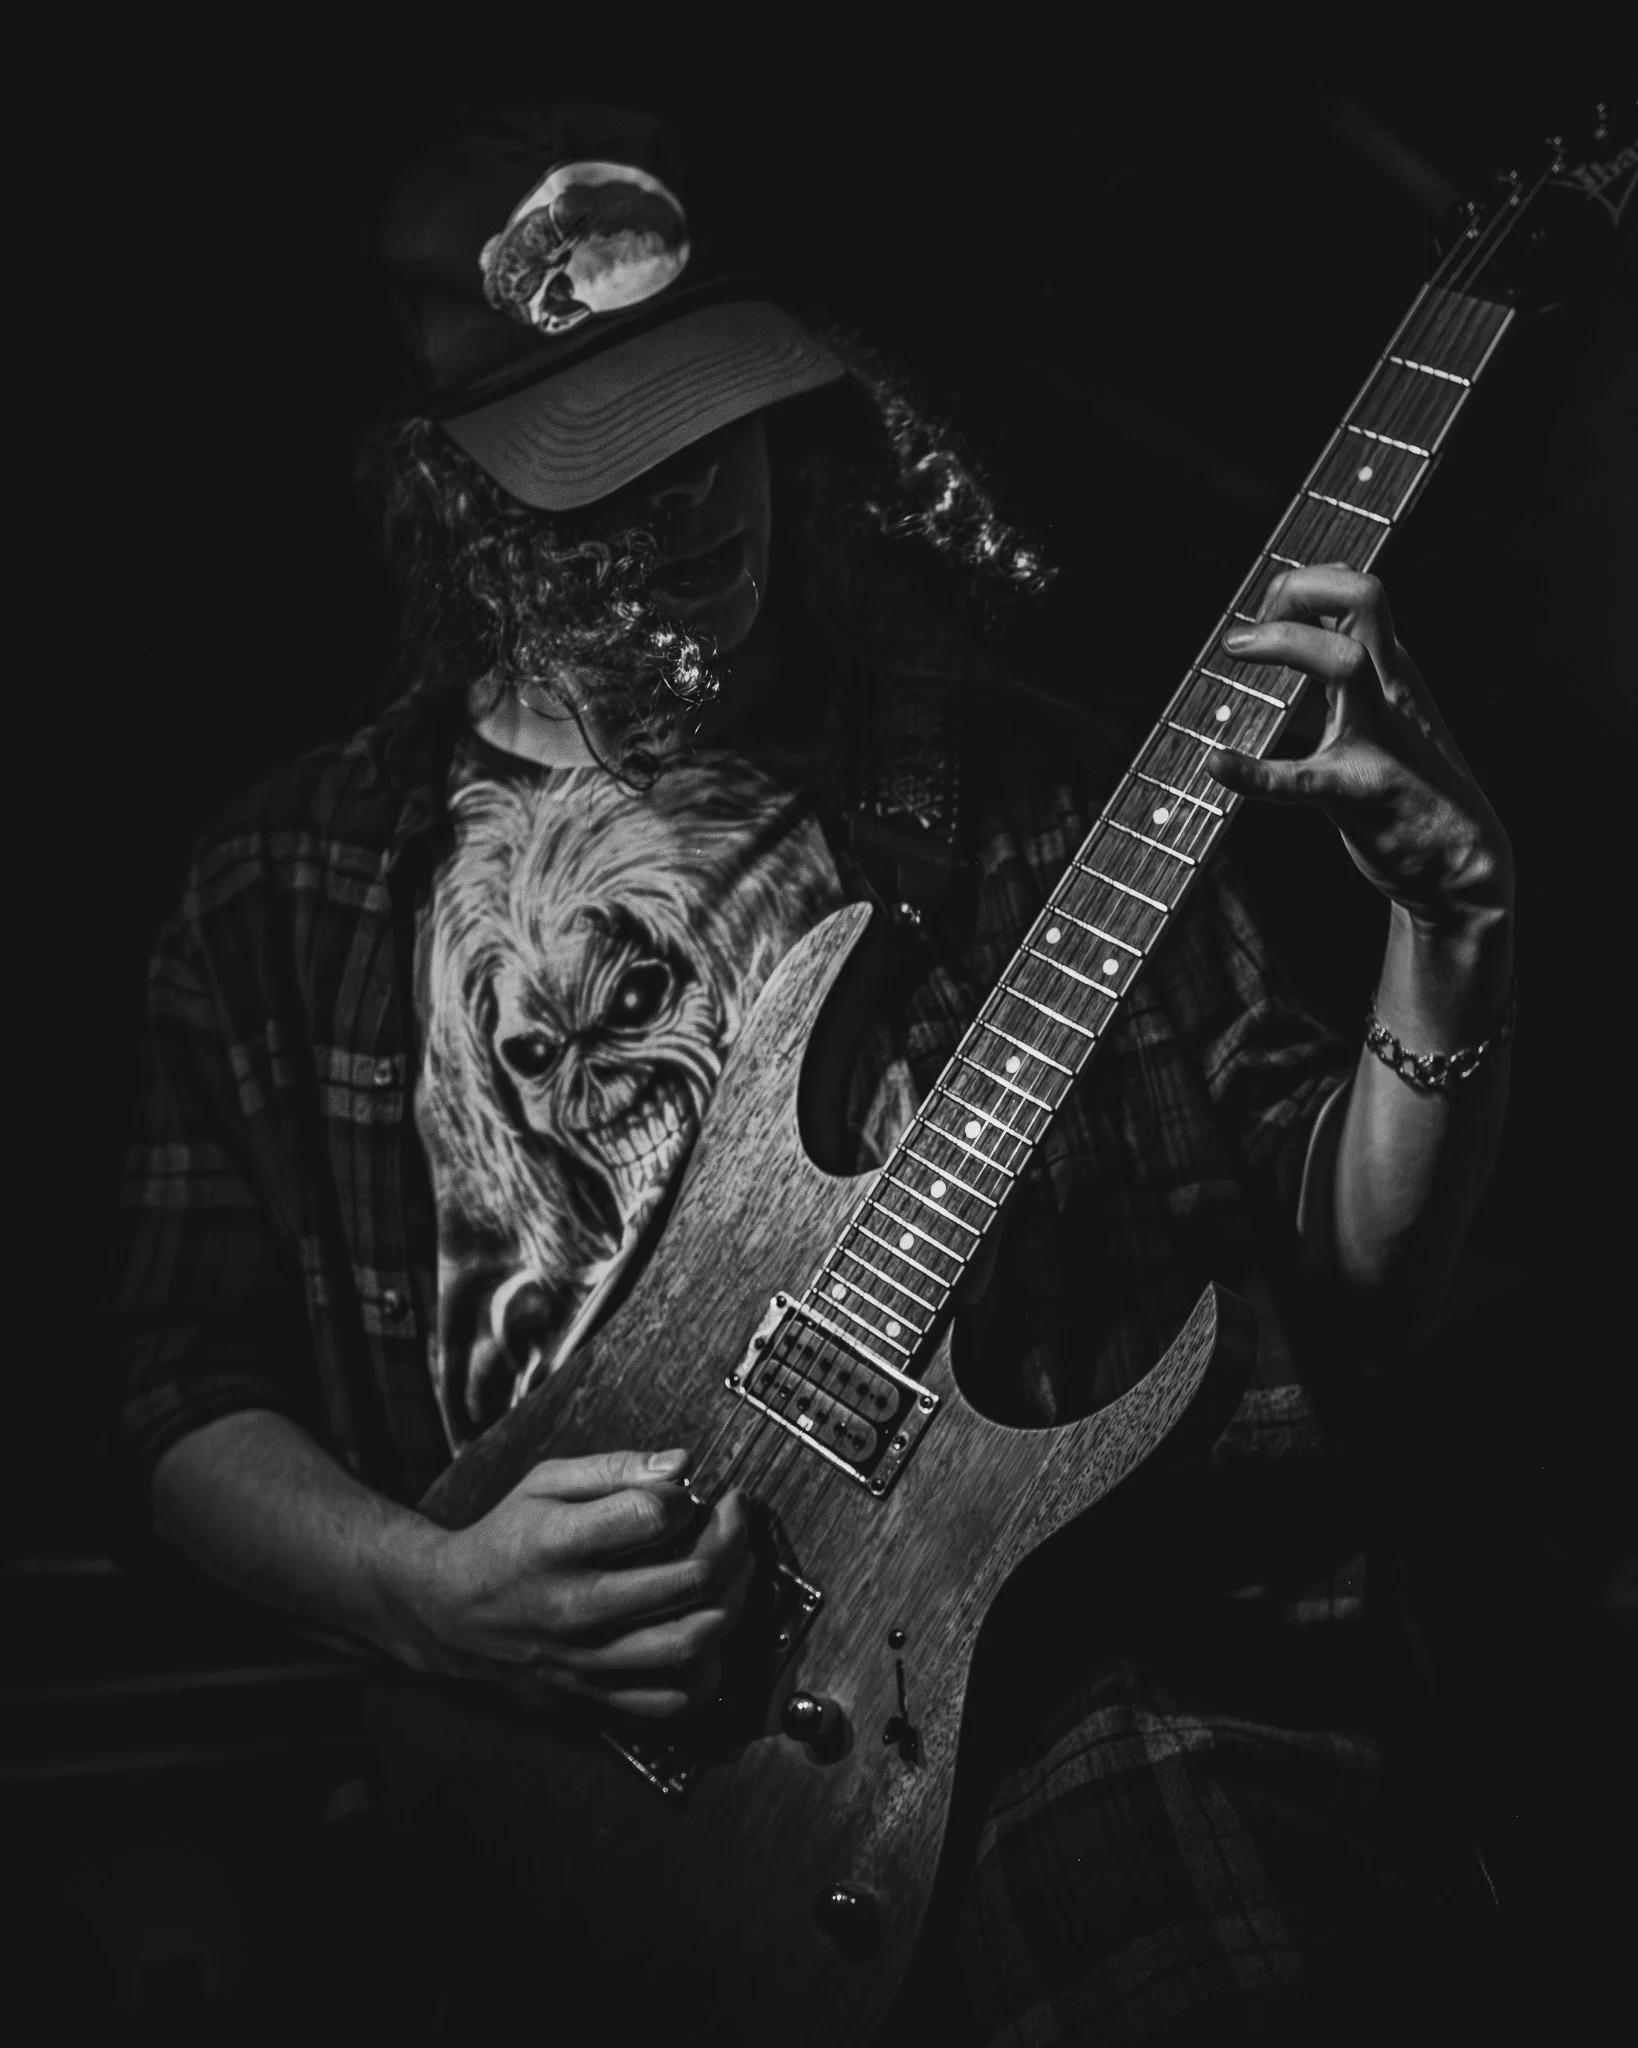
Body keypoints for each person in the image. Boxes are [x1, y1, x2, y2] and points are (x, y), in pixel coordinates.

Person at [116, 104, 1518, 2040]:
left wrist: (1452, 930)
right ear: (448, 493)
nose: (690, 502)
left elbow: (1354, 1273)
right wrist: (438, 1596)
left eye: (719, 424)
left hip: (1045, 1707)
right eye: (602, 474)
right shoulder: (292, 886)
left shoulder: (1041, 798)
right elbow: (186, 1395)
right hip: (541, 1784)